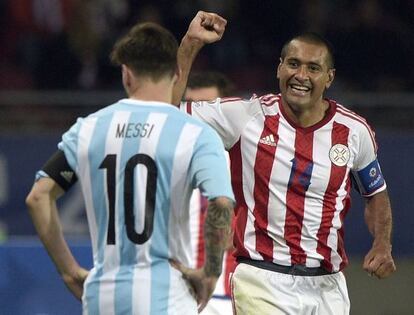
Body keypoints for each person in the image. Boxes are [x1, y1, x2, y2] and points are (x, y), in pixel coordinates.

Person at [25, 11, 234, 315]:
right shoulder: (195, 133)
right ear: (177, 73)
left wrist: (70, 272)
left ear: (126, 73)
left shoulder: (89, 129)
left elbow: (38, 196)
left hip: (103, 297)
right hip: (168, 294)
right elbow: (221, 204)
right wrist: (210, 274)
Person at [174, 31, 396, 314]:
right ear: (279, 67)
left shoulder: (355, 132)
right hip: (261, 279)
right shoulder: (246, 116)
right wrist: (191, 42)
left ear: (329, 77)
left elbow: (375, 194)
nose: (301, 75)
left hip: (328, 286)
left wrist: (382, 243)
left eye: (313, 68)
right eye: (293, 64)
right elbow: (168, 109)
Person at [184, 71, 236, 315]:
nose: (198, 118)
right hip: (175, 298)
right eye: (191, 107)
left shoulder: (246, 164)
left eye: (207, 108)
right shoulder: (167, 163)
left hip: (229, 299)